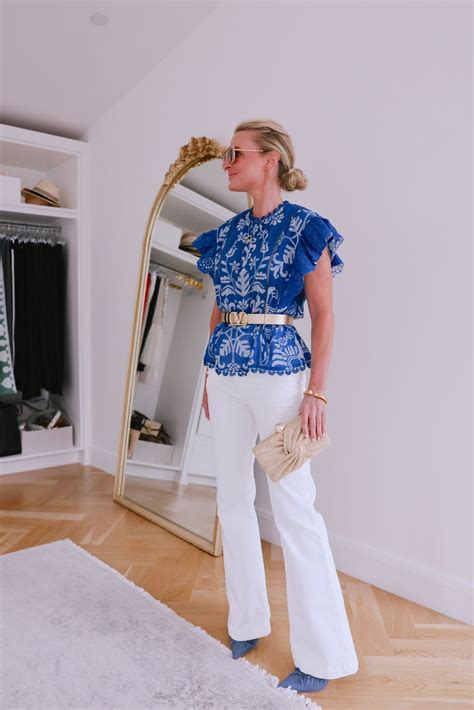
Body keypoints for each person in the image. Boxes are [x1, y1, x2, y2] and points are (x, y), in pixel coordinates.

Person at [192, 119, 358, 694]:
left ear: (270, 160)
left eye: (235, 153)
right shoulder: (226, 234)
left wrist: (317, 391)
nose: (227, 162)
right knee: (232, 500)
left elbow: (324, 315)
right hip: (225, 375)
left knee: (295, 511)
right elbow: (219, 309)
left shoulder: (307, 228)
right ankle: (247, 622)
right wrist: (209, 376)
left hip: (281, 379)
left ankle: (323, 656)